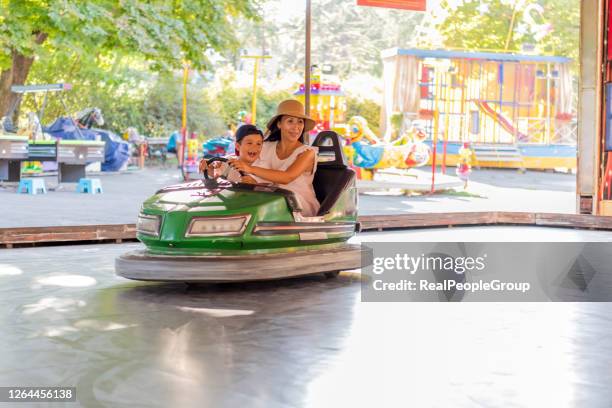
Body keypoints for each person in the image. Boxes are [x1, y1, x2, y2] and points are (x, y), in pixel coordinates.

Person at [229, 99, 320, 217]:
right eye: (290, 121)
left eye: (300, 122)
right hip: (270, 198)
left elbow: (287, 177)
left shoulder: (307, 153)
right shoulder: (267, 146)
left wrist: (249, 170)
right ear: (279, 124)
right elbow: (246, 156)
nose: (296, 127)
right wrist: (220, 164)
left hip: (298, 204)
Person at [199, 124, 264, 184]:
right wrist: (209, 169)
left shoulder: (265, 166)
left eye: (258, 144)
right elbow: (213, 178)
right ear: (238, 146)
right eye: (249, 143)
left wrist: (256, 184)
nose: (255, 147)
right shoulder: (227, 162)